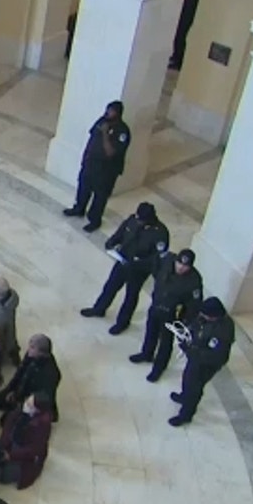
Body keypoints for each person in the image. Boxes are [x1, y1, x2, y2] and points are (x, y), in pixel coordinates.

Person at [79, 201, 170, 334]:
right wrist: (111, 242)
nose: (138, 221)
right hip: (122, 261)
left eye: (141, 220)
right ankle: (99, 309)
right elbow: (121, 233)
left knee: (131, 296)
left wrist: (139, 262)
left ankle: (123, 322)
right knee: (110, 286)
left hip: (138, 270)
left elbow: (157, 258)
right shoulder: (133, 219)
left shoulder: (160, 233)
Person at [131, 248, 203, 382]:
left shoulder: (194, 281)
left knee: (165, 342)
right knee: (151, 332)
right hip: (156, 305)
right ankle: (146, 353)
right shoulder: (166, 261)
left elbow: (194, 305)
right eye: (179, 263)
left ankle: (159, 366)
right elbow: (154, 265)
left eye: (185, 266)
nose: (181, 267)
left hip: (171, 314)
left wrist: (183, 322)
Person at [63, 100, 132, 232]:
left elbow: (111, 152)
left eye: (111, 111)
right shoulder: (102, 121)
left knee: (100, 195)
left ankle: (94, 220)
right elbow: (92, 139)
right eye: (107, 110)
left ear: (117, 113)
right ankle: (79, 208)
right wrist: (85, 157)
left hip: (106, 170)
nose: (107, 113)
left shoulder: (122, 131)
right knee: (84, 186)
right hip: (91, 163)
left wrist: (106, 133)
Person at [169, 297, 234, 427]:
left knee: (194, 389)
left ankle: (186, 414)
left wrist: (191, 351)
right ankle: (184, 396)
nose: (201, 315)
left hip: (206, 365)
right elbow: (196, 327)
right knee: (187, 379)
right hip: (196, 358)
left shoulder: (223, 332)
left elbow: (217, 356)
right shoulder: (205, 319)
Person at [169, 0, 203, 70]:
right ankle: (176, 57)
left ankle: (178, 60)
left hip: (185, 17)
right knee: (179, 38)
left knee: (179, 38)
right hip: (186, 17)